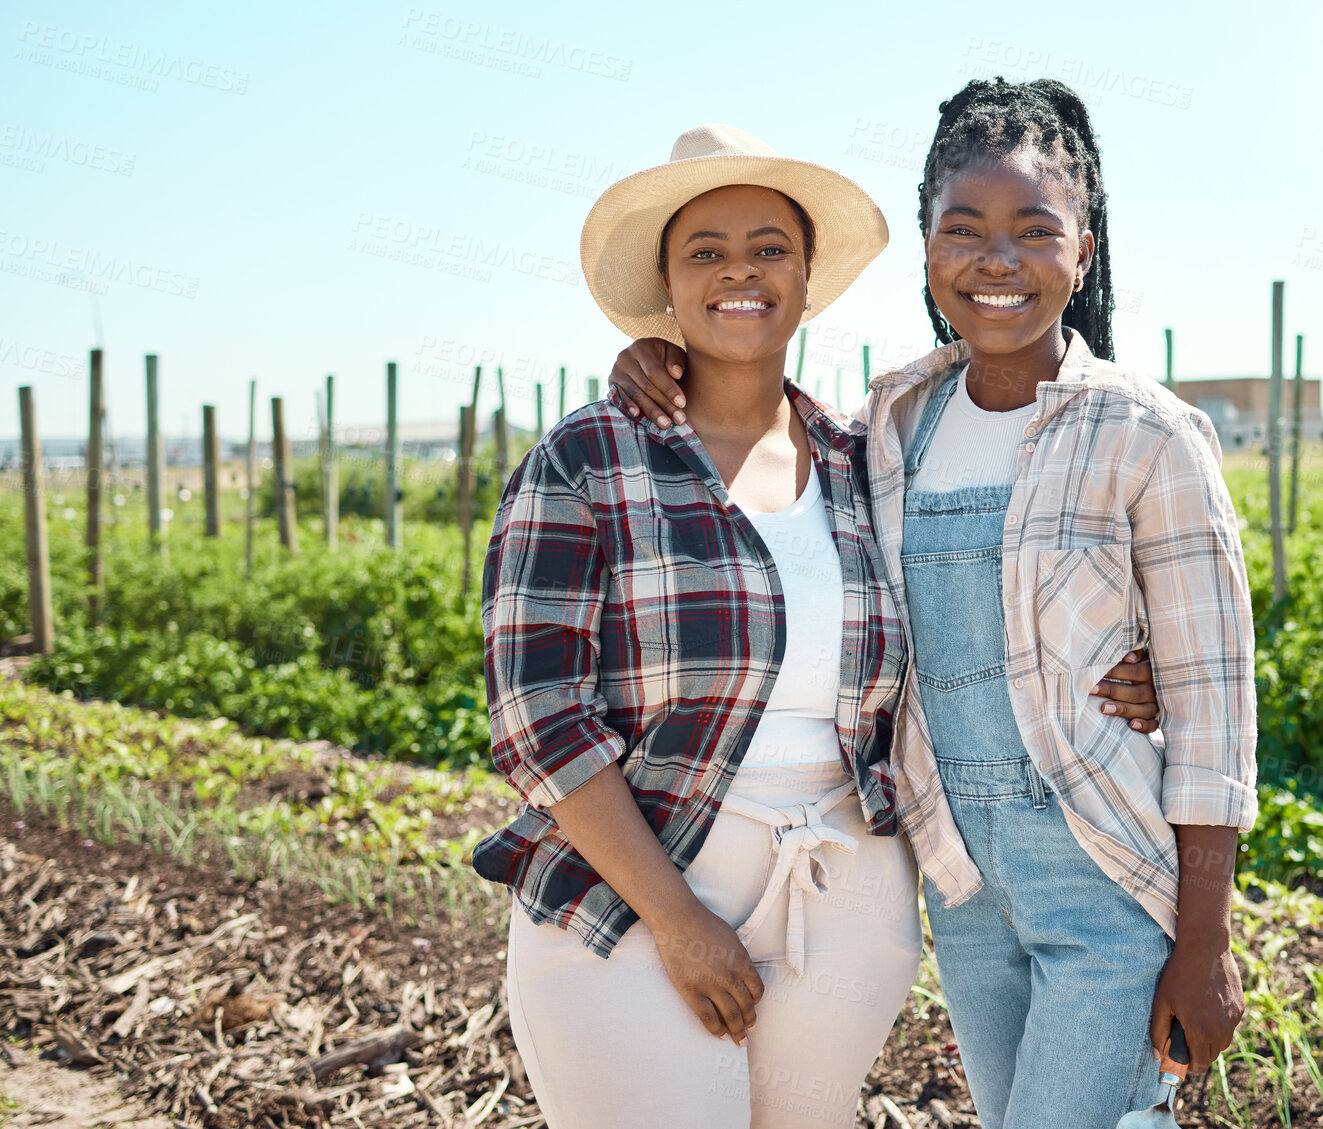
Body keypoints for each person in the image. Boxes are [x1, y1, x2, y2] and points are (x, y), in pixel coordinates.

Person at [474, 122, 1161, 1129]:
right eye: (703, 251)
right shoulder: (590, 458)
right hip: (634, 892)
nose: (738, 272)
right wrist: (676, 920)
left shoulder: (863, 457)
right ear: (667, 283)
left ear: (804, 278)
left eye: (768, 248)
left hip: (843, 898)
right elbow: (539, 716)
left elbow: (985, 596)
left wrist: (1127, 671)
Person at [610, 78, 1258, 1129]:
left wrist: (1205, 939)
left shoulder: (1150, 436)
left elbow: (1217, 705)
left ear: (1082, 251)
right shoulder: (889, 422)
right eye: (963, 230)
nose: (996, 260)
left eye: (1034, 230)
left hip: (1104, 884)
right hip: (959, 888)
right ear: (926, 252)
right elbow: (761, 435)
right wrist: (657, 359)